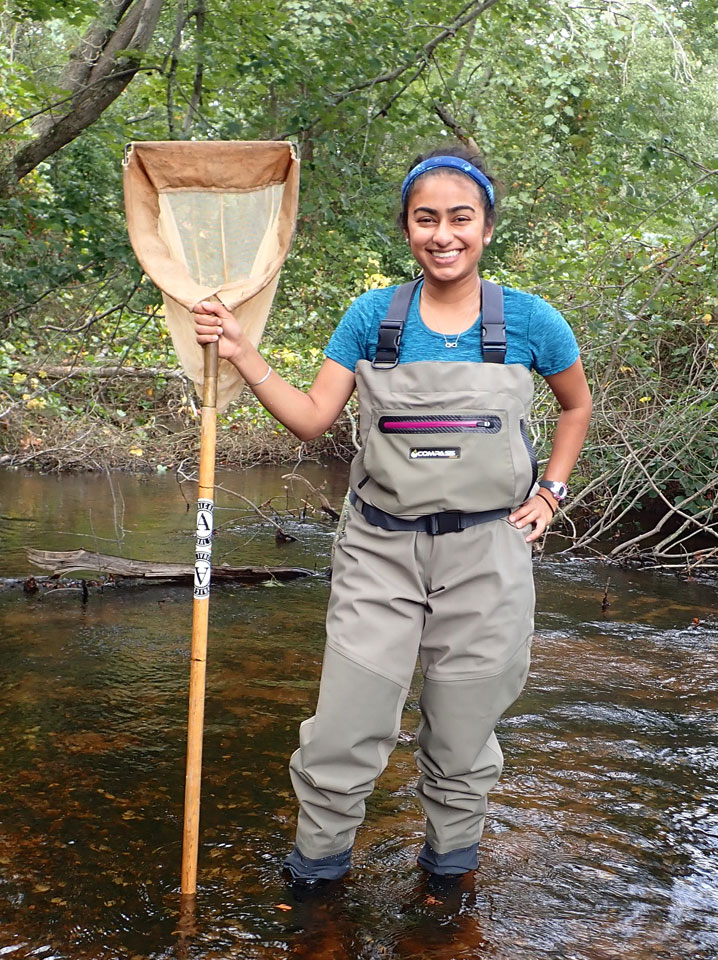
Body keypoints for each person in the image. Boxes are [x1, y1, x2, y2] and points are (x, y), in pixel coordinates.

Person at [194, 145, 592, 887]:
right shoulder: (372, 316)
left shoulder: (532, 321)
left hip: (489, 555)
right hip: (379, 550)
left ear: (487, 227)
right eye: (426, 219)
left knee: (464, 735)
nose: (444, 235)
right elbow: (312, 420)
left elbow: (576, 405)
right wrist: (244, 352)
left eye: (460, 218)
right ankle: (317, 884)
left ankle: (448, 884)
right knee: (345, 732)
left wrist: (551, 493)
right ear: (407, 229)